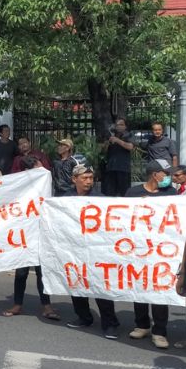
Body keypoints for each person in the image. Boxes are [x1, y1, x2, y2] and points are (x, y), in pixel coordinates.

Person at [61, 165, 121, 338]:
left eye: (91, 178)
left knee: (100, 286)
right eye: (84, 178)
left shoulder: (99, 199)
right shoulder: (66, 198)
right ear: (74, 179)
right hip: (74, 250)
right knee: (77, 284)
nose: (88, 181)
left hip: (96, 250)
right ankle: (83, 317)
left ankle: (110, 323)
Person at [125, 159, 177, 349]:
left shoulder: (171, 193)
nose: (168, 177)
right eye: (165, 173)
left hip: (162, 250)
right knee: (139, 287)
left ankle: (160, 331)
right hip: (138, 249)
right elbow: (123, 218)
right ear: (155, 175)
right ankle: (142, 325)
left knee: (159, 291)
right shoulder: (133, 193)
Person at [2, 156, 59, 320]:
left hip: (41, 234)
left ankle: (47, 306)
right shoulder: (19, 186)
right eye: (38, 167)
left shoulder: (46, 180)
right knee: (21, 272)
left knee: (42, 272)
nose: (43, 169)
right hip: (24, 235)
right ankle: (17, 304)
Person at [103, 117, 134, 197]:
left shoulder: (129, 135)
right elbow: (103, 151)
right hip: (111, 168)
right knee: (110, 194)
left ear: (125, 126)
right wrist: (106, 144)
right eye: (117, 125)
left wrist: (117, 140)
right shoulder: (111, 135)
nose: (119, 126)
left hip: (123, 169)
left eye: (121, 124)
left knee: (124, 193)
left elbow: (130, 147)